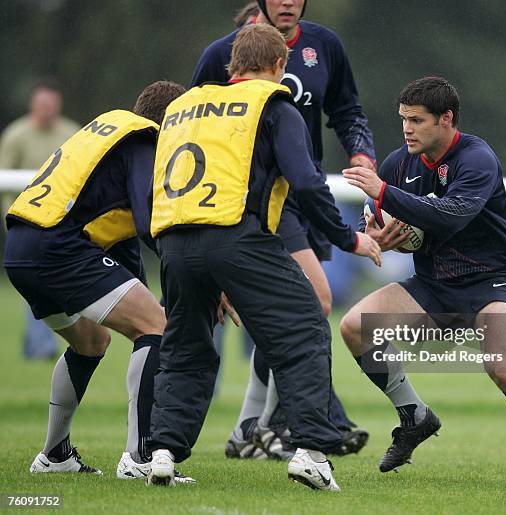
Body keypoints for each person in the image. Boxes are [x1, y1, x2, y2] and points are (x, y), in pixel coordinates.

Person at [146, 24, 381, 491]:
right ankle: (311, 451)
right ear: (279, 67)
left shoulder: (182, 107)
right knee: (306, 325)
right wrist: (349, 239)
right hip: (235, 236)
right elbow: (307, 181)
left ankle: (162, 453)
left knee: (185, 347)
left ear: (231, 65)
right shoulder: (272, 104)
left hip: (172, 240)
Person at [340, 76, 506, 486]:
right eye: (403, 119)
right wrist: (377, 230)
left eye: (416, 120)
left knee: (503, 368)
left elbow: (449, 215)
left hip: (492, 280)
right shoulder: (400, 163)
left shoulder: (477, 158)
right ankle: (414, 416)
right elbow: (379, 213)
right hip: (434, 286)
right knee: (354, 327)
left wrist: (385, 194)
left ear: (446, 118)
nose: (407, 129)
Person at [3, 80, 196, 482]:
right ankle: (139, 457)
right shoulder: (146, 140)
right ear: (172, 120)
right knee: (155, 327)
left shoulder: (109, 129)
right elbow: (147, 222)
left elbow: (117, 235)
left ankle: (55, 455)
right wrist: (192, 275)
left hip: (22, 247)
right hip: (58, 247)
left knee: (92, 342)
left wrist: (145, 292)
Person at [0, 78, 80, 360]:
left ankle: (45, 344)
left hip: (64, 227)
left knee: (57, 286)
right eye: (42, 105)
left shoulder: (72, 132)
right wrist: (12, 222)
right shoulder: (16, 135)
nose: (47, 110)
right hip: (26, 225)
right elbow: (4, 179)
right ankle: (42, 347)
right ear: (33, 105)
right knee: (37, 284)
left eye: (52, 105)